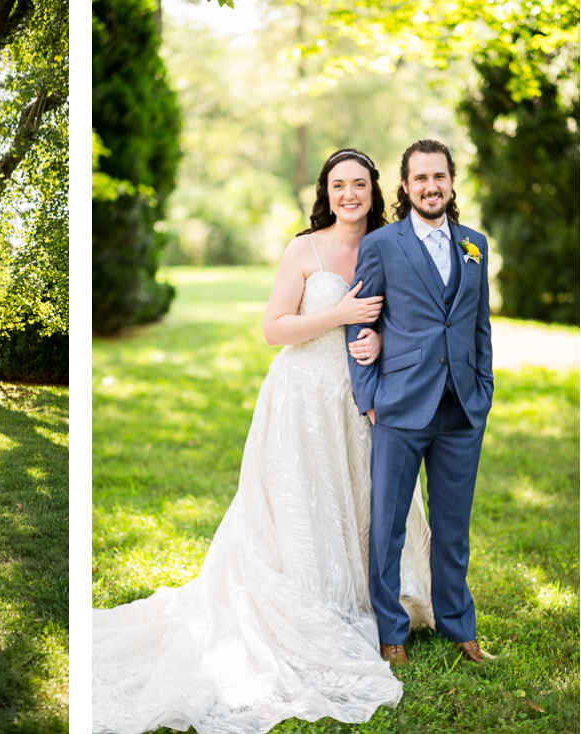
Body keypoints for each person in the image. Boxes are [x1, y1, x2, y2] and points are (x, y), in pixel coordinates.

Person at [92, 149, 434, 734]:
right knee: (306, 504)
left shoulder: (395, 244)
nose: (348, 194)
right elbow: (274, 328)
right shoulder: (305, 249)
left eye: (358, 185)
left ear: (375, 191)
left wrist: (379, 345)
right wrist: (343, 312)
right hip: (302, 397)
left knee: (368, 499)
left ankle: (376, 600)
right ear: (325, 193)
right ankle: (314, 601)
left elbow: (408, 322)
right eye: (337, 185)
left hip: (366, 400)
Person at [346, 140, 494, 665]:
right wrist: (370, 398)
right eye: (420, 178)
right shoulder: (384, 245)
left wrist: (484, 391)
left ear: (452, 182)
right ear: (405, 187)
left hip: (462, 408)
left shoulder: (474, 245)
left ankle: (460, 627)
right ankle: (391, 632)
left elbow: (479, 328)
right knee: (386, 526)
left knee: (453, 527)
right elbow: (358, 322)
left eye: (440, 177)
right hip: (401, 404)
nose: (431, 186)